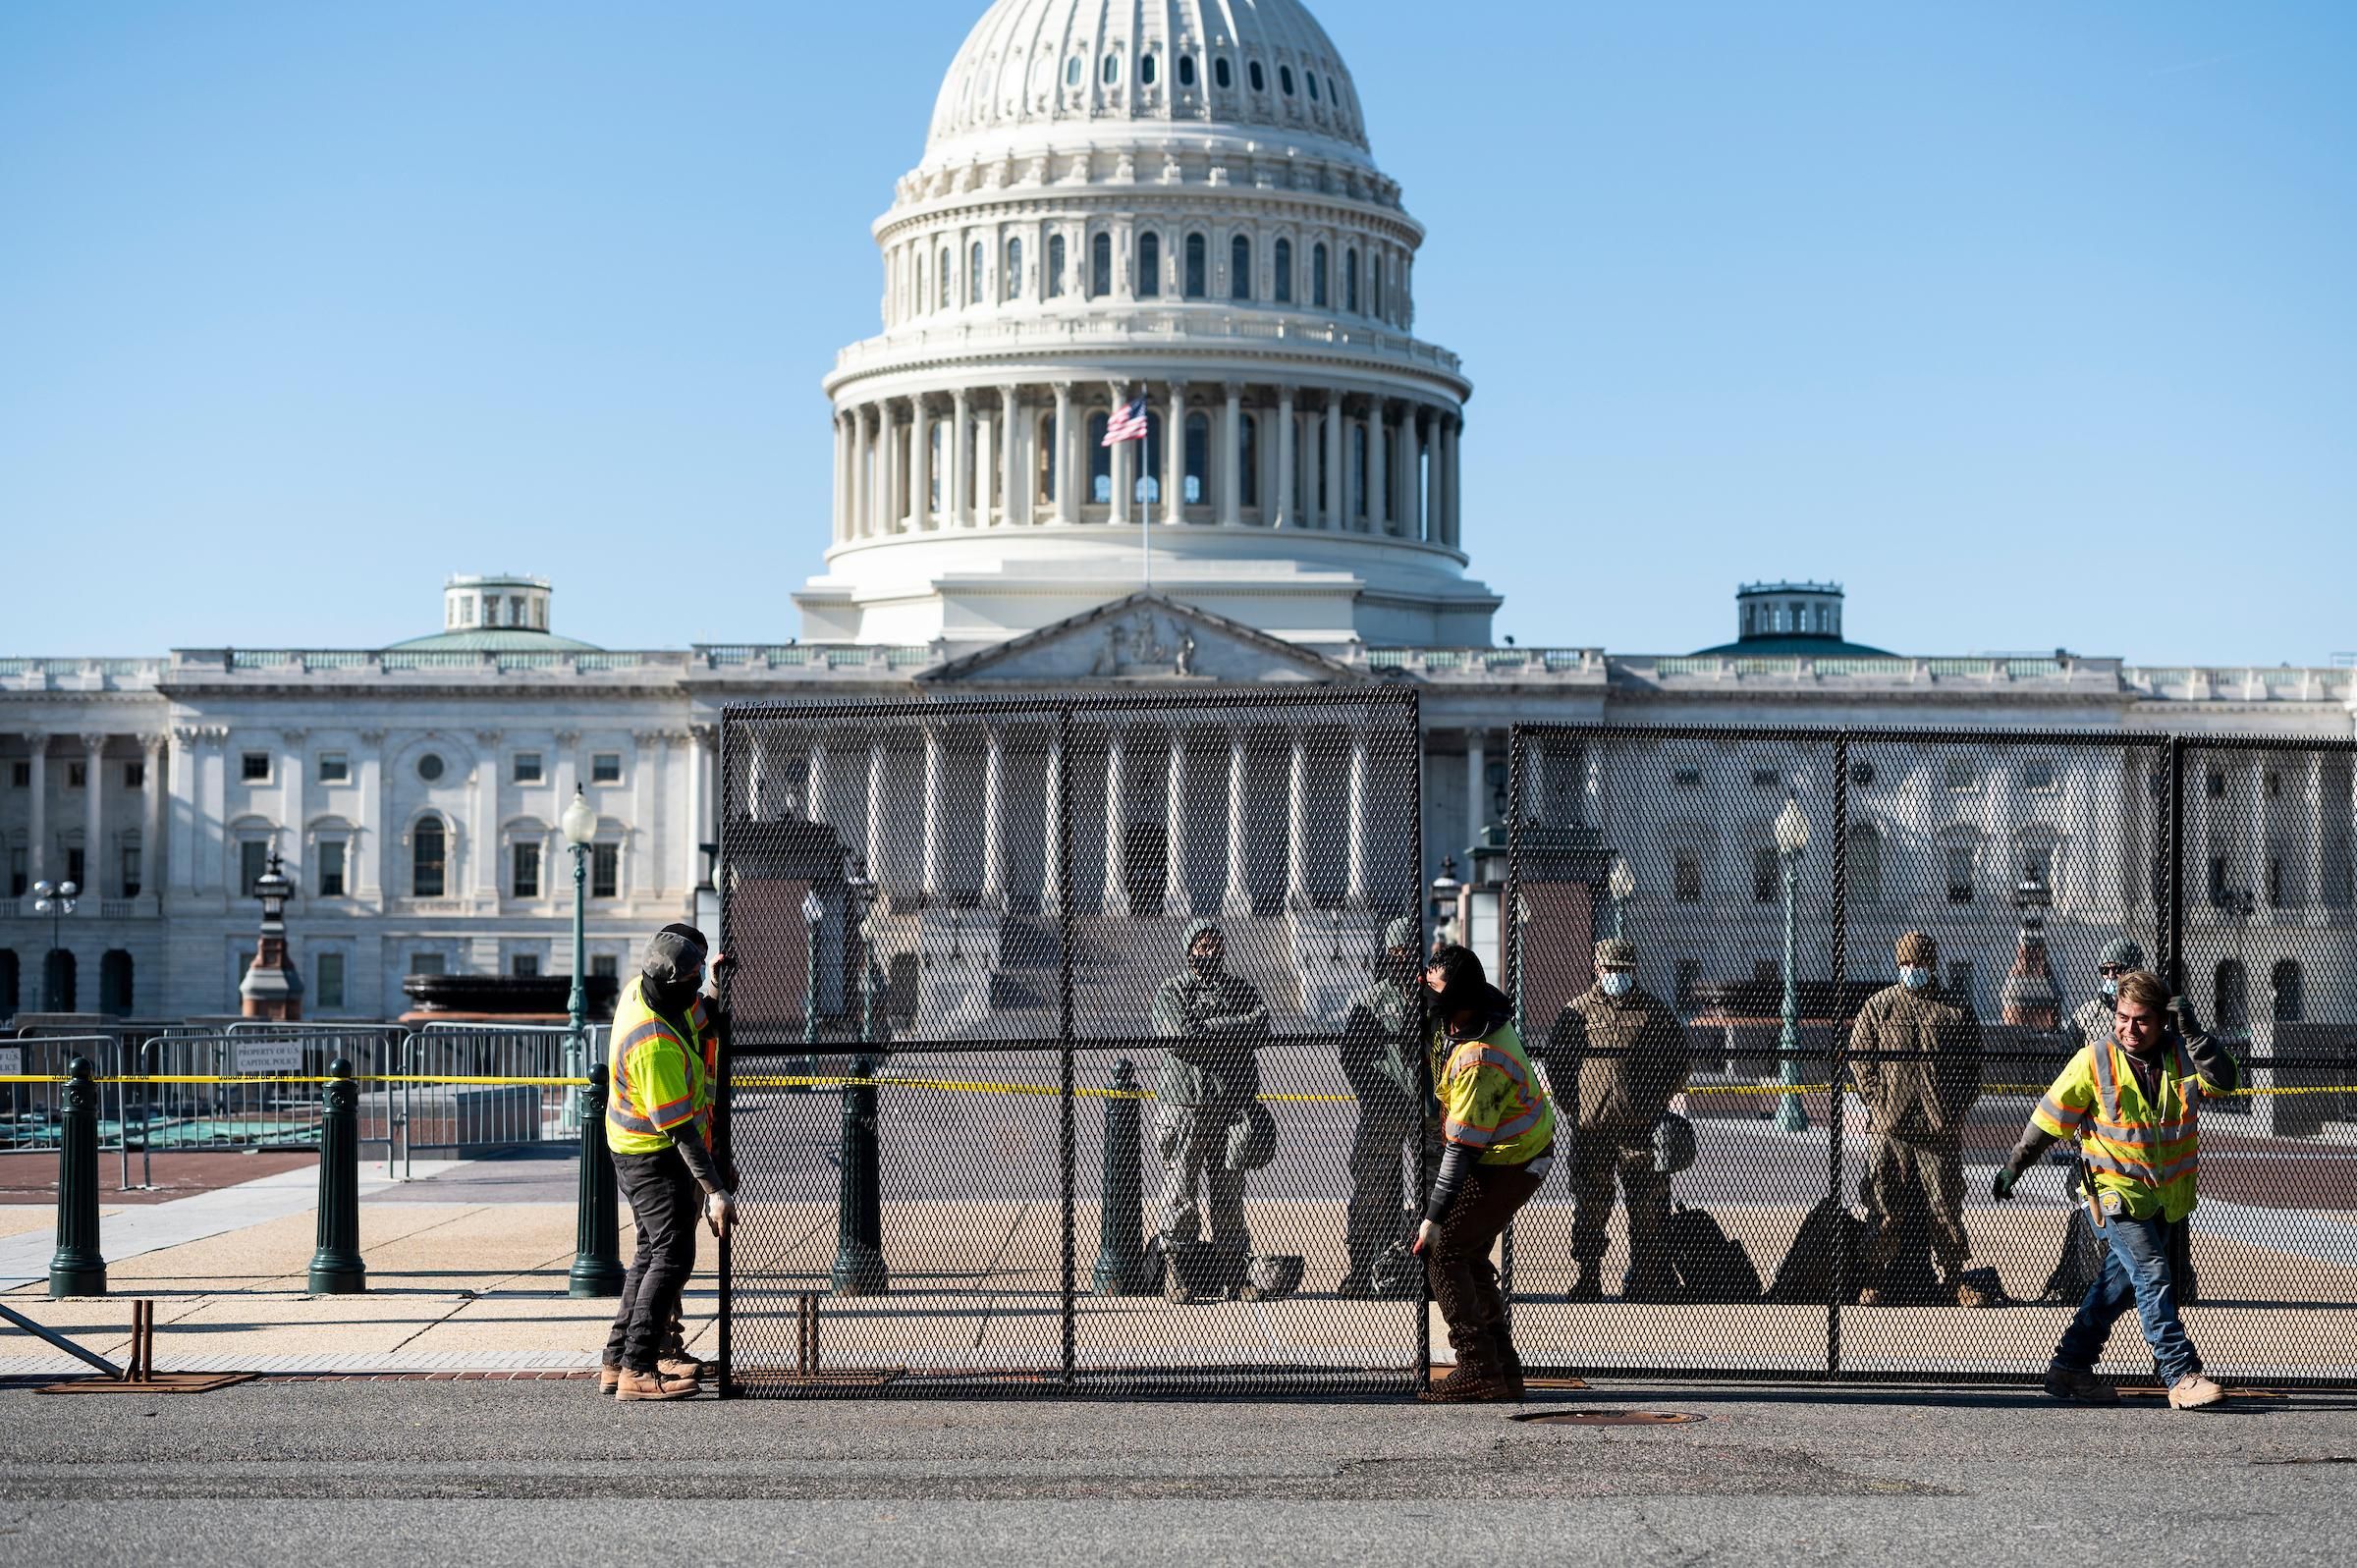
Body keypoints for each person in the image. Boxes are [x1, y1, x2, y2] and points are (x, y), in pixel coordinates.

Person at [1993, 969, 2237, 1408]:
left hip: (2162, 1197)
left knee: (2116, 1287)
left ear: (2162, 1020)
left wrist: (2197, 1035)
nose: (2129, 1028)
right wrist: (2016, 1165)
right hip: (2115, 1193)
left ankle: (2070, 1368)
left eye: (2141, 1019)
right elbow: (2049, 1118)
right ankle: (2180, 1375)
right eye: (2123, 1018)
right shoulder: (2094, 1059)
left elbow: (2224, 1082)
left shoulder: (2182, 1054)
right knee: (2152, 1274)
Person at [1412, 944, 1556, 1402]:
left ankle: (1477, 1367)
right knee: (1469, 1252)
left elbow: (1461, 1152)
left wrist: (1433, 1218)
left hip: (1511, 1158)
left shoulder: (1480, 1057)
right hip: (1505, 1154)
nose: (1423, 990)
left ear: (1456, 995)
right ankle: (1500, 1368)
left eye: (1433, 986)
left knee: (1446, 1252)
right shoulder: (1468, 1016)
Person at [601, 923, 736, 1401]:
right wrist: (716, 1190)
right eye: (695, 980)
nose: (698, 989)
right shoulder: (652, 1043)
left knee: (650, 1253)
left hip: (637, 1147)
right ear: (674, 982)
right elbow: (680, 1131)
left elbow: (704, 1017)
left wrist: (715, 983)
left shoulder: (646, 991)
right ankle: (639, 1369)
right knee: (673, 1255)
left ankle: (619, 1361)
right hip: (652, 1155)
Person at [1848, 932, 1988, 1308]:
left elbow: (1971, 1069)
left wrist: (1954, 1111)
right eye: (1906, 965)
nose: (1912, 971)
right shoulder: (1880, 1007)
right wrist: (1877, 1100)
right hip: (1890, 1127)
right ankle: (1874, 1278)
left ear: (1932, 964)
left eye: (1918, 964)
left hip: (1937, 1127)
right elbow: (1860, 1056)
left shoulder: (1954, 1009)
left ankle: (1955, 1278)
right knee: (1882, 1202)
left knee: (1944, 1205)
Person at [1549, 937, 1691, 1301]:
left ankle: (1646, 1279)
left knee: (1646, 1207)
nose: (1615, 975)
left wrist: (1655, 1100)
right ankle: (1588, 1277)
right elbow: (1558, 1065)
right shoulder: (1577, 1011)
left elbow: (1680, 1061)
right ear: (1597, 968)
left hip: (1639, 1130)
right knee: (1591, 1206)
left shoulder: (1653, 1012)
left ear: (1633, 971)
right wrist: (1574, 1106)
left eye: (1622, 970)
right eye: (1610, 969)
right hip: (1592, 1129)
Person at [1149, 919, 1271, 1286]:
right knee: (1179, 1193)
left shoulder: (1239, 989)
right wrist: (1233, 1033)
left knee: (1229, 1192)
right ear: (1189, 950)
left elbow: (1261, 1024)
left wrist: (1210, 1027)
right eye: (1202, 944)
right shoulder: (1172, 990)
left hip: (1230, 1106)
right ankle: (1179, 1269)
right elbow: (1178, 1035)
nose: (1210, 950)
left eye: (1215, 943)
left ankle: (1233, 1270)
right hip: (1185, 1104)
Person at [1338, 916, 1434, 1296]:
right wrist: (1374, 1092)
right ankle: (1364, 1267)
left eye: (1408, 952)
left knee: (1433, 1188)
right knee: (1374, 1188)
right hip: (1385, 1107)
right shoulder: (1371, 1001)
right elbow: (1352, 1055)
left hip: (1427, 1107)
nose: (1403, 958)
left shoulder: (1434, 998)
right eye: (1395, 952)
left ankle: (1432, 1270)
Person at [2063, 939, 2146, 1052]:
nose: (2111, 975)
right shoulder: (2086, 1013)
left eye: (2118, 968)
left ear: (2135, 971)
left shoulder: (2149, 1011)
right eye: (2105, 970)